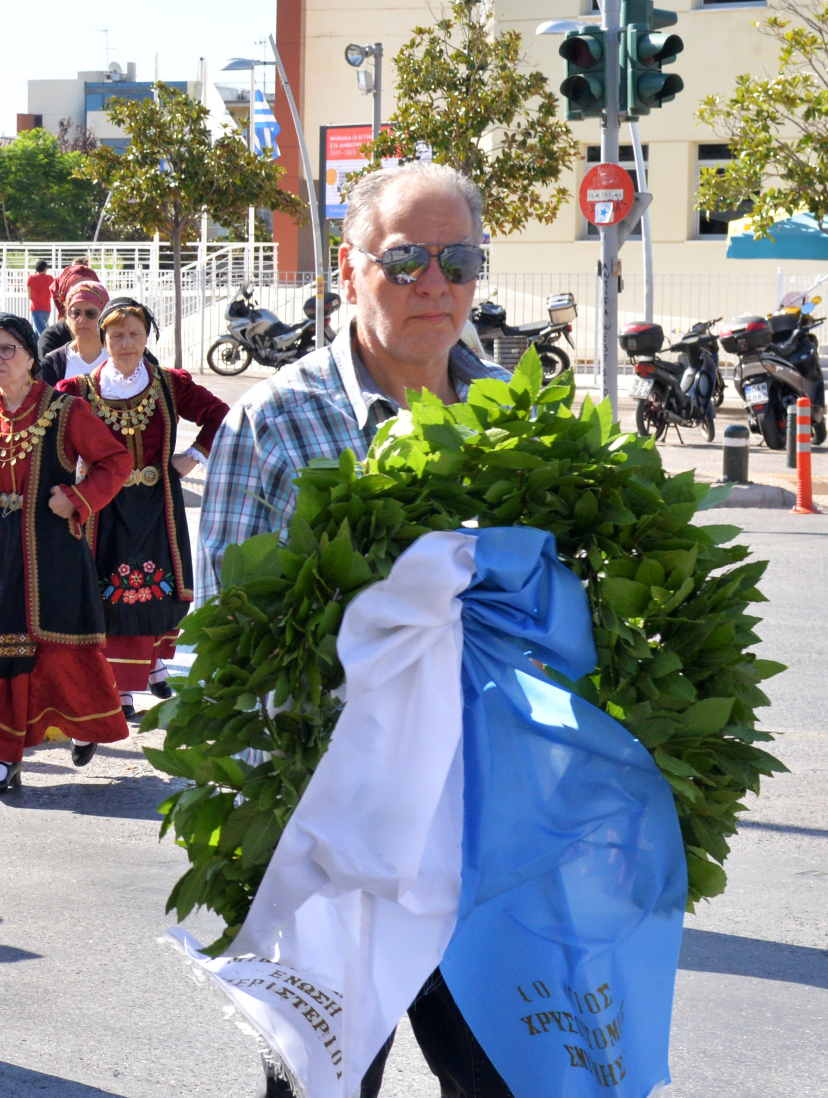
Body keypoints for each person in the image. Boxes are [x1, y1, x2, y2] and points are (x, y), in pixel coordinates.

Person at [197, 161, 508, 1098]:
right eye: (407, 256)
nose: (434, 283)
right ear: (349, 267)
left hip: (483, 842)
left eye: (458, 259)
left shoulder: (518, 414)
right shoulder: (277, 422)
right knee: (318, 1091)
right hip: (333, 848)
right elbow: (226, 641)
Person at [0, 313, 133, 794]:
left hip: (51, 554)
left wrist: (78, 497)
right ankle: (0, 757)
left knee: (60, 651)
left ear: (30, 356)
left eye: (7, 350)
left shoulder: (65, 410)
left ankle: (83, 724)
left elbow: (116, 460)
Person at [59, 296, 227, 720]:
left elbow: (220, 414)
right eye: (117, 336)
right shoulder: (78, 391)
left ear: (147, 337)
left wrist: (194, 455)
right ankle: (122, 688)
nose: (127, 343)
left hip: (158, 503)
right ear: (104, 339)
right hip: (104, 506)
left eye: (135, 335)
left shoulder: (170, 384)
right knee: (109, 594)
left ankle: (149, 665)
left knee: (155, 591)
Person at [38, 279, 113, 384]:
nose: (82, 320)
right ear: (68, 317)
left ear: (105, 316)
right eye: (75, 313)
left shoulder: (119, 356)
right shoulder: (54, 363)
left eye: (90, 313)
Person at [35, 262, 103, 357]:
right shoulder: (52, 339)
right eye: (76, 290)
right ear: (64, 300)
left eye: (89, 288)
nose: (83, 293)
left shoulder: (112, 335)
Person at [26, 258, 54, 336]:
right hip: (47, 309)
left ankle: (49, 346)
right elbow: (53, 292)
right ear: (45, 268)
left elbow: (29, 295)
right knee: (37, 331)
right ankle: (35, 347)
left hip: (36, 308)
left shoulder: (31, 278)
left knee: (42, 333)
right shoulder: (50, 278)